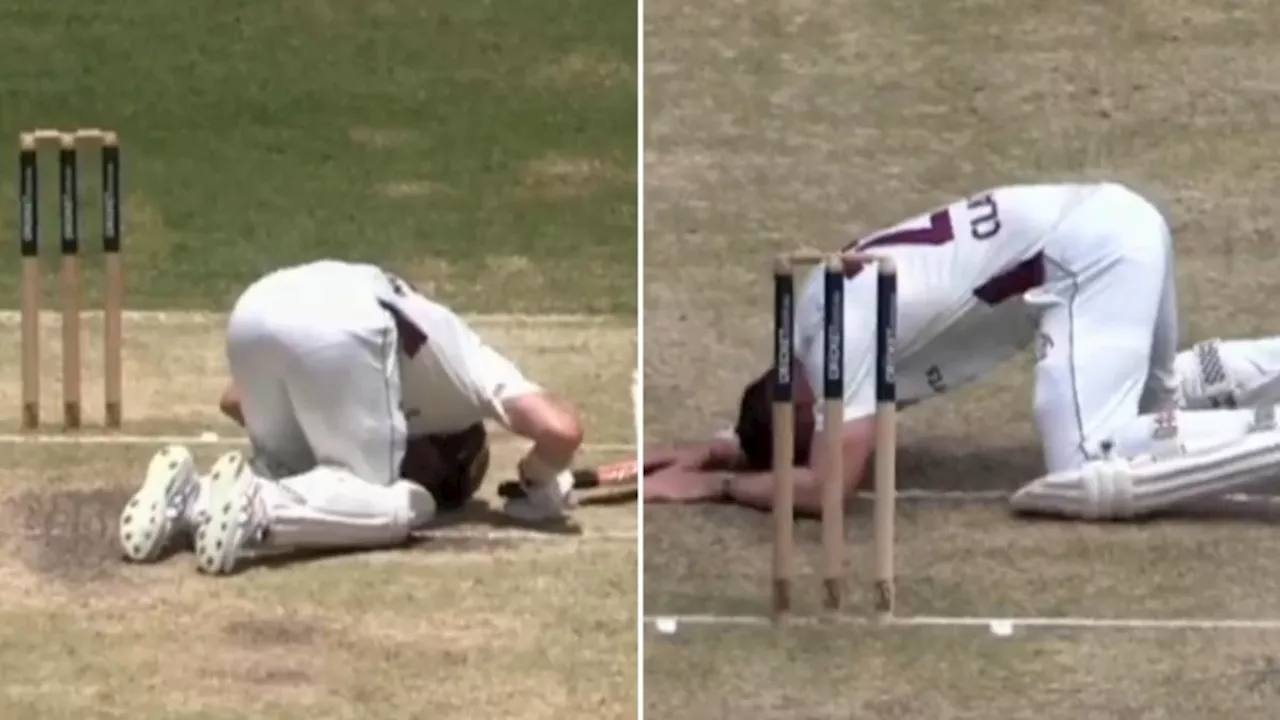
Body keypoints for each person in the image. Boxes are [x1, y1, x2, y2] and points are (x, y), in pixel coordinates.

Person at [646, 182, 1280, 520]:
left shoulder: (841, 339)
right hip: (1114, 217)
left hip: (1090, 259)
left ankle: (1266, 431)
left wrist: (723, 484)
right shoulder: (814, 318)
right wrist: (730, 443)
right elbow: (801, 419)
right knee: (1156, 405)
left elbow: (828, 491)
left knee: (1089, 458)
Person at [118, 260, 584, 574]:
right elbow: (562, 430)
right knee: (405, 507)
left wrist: (309, 421)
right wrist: (538, 482)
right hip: (345, 322)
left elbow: (233, 399)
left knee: (291, 469)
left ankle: (190, 496)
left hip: (254, 309)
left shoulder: (435, 348)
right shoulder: (472, 369)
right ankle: (259, 507)